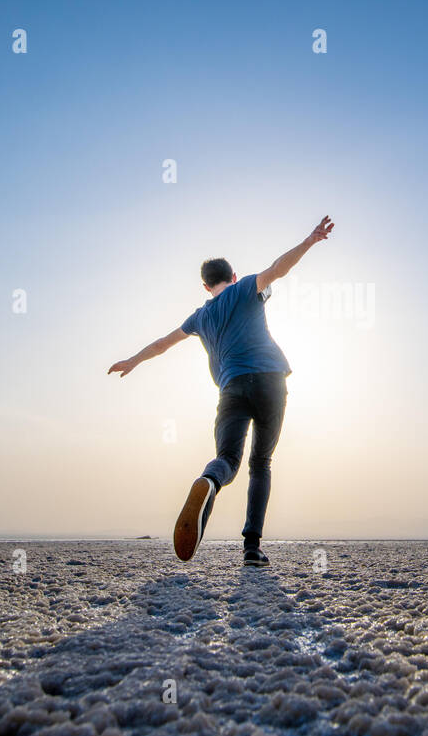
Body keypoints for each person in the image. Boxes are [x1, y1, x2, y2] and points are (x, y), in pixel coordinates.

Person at [108, 216, 335, 567]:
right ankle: (251, 548)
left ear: (204, 286)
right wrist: (309, 240)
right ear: (231, 277)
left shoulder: (199, 317)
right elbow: (277, 269)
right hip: (271, 381)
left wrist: (132, 361)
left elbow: (162, 345)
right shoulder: (245, 288)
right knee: (260, 463)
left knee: (228, 460)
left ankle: (209, 481)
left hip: (231, 389)